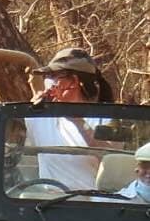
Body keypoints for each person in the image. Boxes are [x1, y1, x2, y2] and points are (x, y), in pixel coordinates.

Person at [25, 47, 114, 190]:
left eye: (53, 77)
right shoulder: (38, 117)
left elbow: (112, 161)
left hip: (93, 205)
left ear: (73, 82)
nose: (48, 83)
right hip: (46, 204)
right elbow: (12, 149)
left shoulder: (105, 119)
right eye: (47, 78)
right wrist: (29, 109)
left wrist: (79, 123)